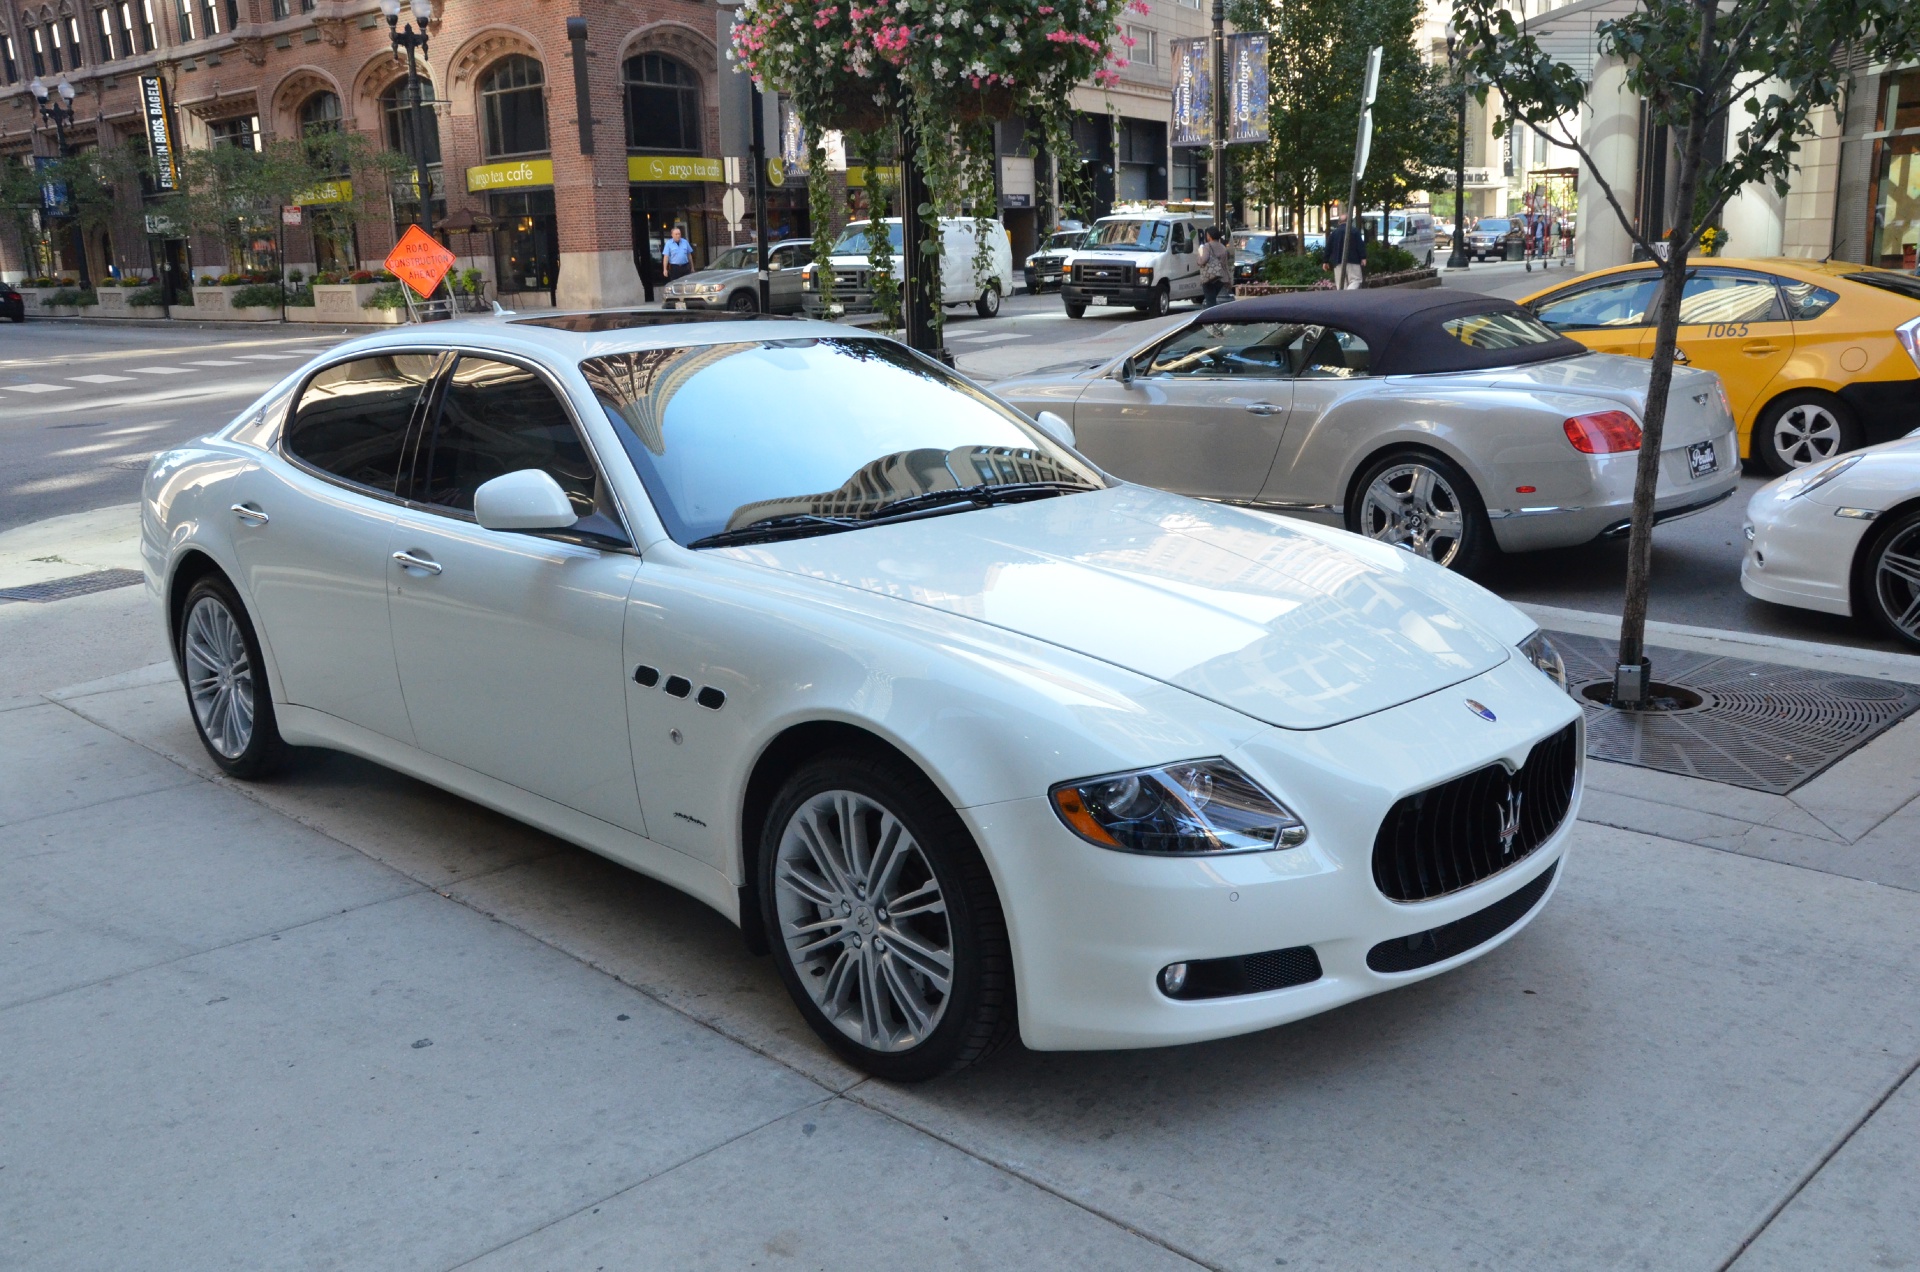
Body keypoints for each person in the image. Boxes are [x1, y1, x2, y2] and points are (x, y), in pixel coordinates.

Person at [1324, 213, 1366, 289]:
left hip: (1338, 261)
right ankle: (1349, 292)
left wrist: (1325, 261)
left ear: (1339, 222)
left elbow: (1328, 248)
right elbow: (1360, 245)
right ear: (1350, 221)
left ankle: (1343, 298)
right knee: (1356, 280)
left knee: (1341, 283)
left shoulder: (1334, 233)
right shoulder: (1354, 231)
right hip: (1353, 260)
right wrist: (1363, 257)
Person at [1197, 225, 1234, 307]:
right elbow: (1225, 265)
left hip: (1209, 277)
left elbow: (1204, 260)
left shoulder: (1207, 246)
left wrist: (1199, 257)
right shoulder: (1223, 247)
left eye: (1207, 235)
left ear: (1209, 236)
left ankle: (1211, 317)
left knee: (1210, 300)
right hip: (1220, 278)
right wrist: (1228, 279)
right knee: (1212, 299)